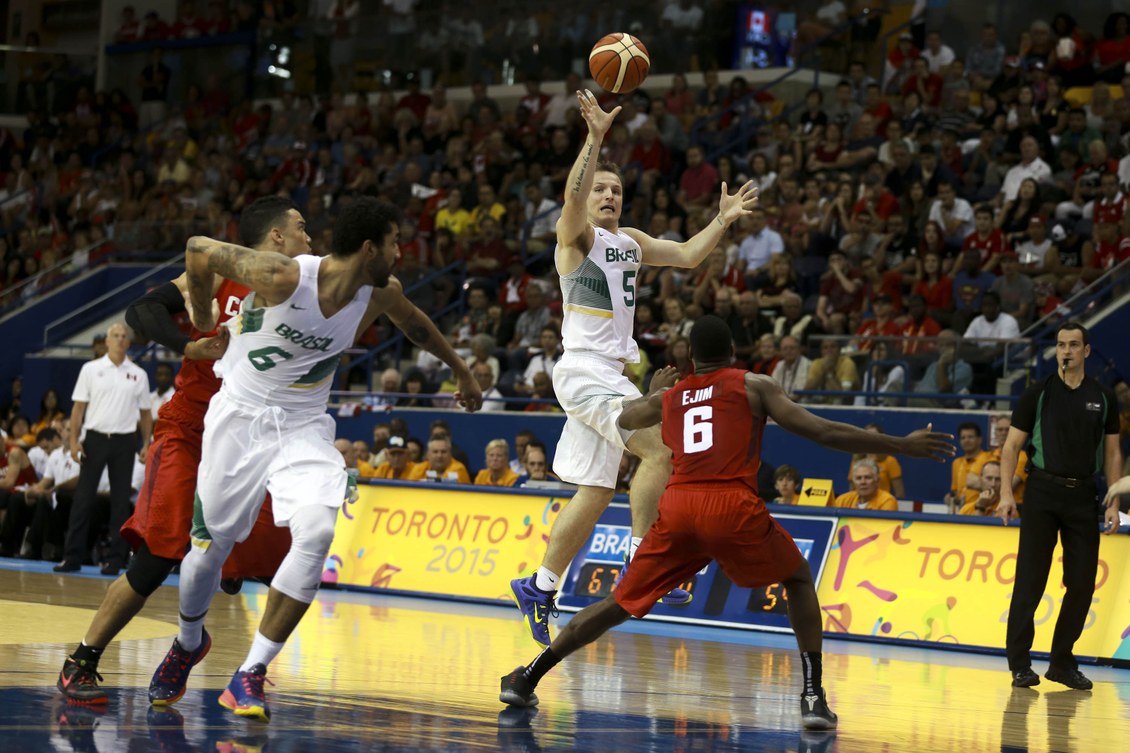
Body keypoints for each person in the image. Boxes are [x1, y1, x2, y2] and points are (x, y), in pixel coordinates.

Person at [499, 315, 954, 728]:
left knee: (619, 603)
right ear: (734, 351)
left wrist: (654, 393)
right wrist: (900, 444)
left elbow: (624, 416)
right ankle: (813, 696)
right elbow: (822, 431)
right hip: (731, 505)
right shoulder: (753, 385)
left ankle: (526, 678)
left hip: (677, 508)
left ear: (690, 358)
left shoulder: (673, 396)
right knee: (797, 578)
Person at [148, 197, 481, 722]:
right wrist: (204, 313)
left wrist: (462, 371)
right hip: (241, 416)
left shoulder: (378, 292)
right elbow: (197, 249)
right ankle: (188, 642)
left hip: (303, 426)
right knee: (208, 553)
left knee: (318, 532)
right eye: (395, 242)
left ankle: (251, 673)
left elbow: (415, 325)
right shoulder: (282, 275)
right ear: (371, 248)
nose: (402, 251)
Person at [509, 89, 760, 647]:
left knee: (596, 491)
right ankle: (645, 556)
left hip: (611, 375)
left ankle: (540, 585)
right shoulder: (575, 241)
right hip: (584, 371)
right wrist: (595, 139)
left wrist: (721, 220)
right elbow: (573, 202)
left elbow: (690, 255)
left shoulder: (632, 241)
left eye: (617, 190)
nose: (609, 195)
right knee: (661, 449)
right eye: (600, 187)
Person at [55, 197, 310, 704]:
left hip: (252, 438)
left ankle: (238, 658)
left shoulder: (306, 284)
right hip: (190, 429)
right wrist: (186, 344)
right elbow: (141, 310)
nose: (311, 236)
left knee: (285, 556)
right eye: (302, 227)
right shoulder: (217, 274)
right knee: (155, 558)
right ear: (276, 236)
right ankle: (81, 660)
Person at [996, 321, 1122, 691]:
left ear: (1086, 351)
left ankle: (1062, 663)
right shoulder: (1037, 393)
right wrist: (1006, 493)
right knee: (1030, 582)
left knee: (1082, 584)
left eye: (1073, 345)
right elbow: (1010, 449)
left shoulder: (1102, 397)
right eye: (1060, 345)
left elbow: (1113, 452)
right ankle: (1020, 664)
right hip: (1041, 494)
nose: (1066, 351)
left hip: (1084, 496)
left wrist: (1113, 499)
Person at [55, 323, 153, 575]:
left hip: (124, 441)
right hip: (95, 438)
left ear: (128, 343)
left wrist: (146, 443)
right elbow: (78, 409)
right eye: (116, 336)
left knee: (120, 503)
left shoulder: (138, 374)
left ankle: (115, 560)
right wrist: (75, 441)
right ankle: (72, 557)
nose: (120, 340)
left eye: (124, 337)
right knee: (83, 499)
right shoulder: (90, 369)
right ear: (107, 341)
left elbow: (145, 413)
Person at [832, 459, 899, 510]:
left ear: (877, 481)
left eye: (867, 477)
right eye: (858, 478)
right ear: (853, 482)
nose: (863, 482)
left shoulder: (887, 501)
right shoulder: (843, 500)